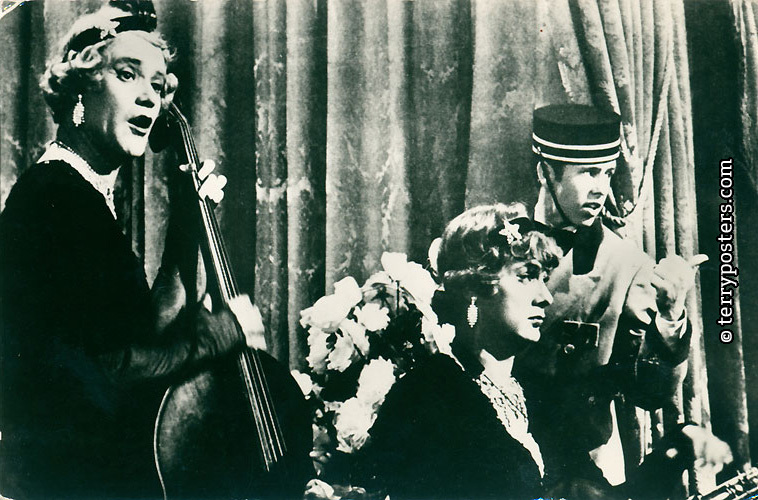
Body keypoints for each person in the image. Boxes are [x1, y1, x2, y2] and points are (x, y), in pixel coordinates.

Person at [0, 2, 263, 498]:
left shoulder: (83, 197)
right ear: (81, 86)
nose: (149, 97)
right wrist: (211, 341)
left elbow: (145, 334)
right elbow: (107, 368)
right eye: (128, 74)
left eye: (159, 87)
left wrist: (186, 222)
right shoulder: (53, 197)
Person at [513, 104, 708, 494]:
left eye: (607, 173)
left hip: (579, 472)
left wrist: (671, 317)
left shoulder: (627, 265)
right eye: (588, 172)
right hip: (498, 450)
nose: (601, 188)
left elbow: (651, 394)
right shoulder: (500, 242)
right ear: (544, 172)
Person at [362, 203, 561, 500]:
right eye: (526, 275)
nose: (545, 297)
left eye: (544, 278)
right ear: (474, 286)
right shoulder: (429, 392)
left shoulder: (537, 391)